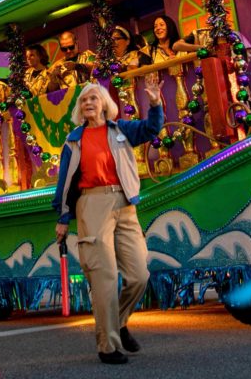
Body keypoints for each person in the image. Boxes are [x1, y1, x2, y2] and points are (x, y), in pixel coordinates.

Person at [53, 77, 164, 365]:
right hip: (91, 204)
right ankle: (108, 345)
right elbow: (64, 182)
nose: (88, 103)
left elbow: (151, 129)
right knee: (104, 278)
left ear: (105, 104)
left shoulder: (121, 130)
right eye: (84, 100)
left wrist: (154, 103)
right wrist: (63, 218)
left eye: (93, 98)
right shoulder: (74, 140)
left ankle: (120, 322)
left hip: (125, 204)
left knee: (139, 274)